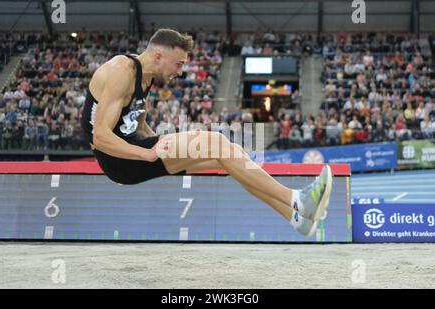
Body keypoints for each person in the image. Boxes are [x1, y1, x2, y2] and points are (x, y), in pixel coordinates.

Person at [81, 28, 333, 237]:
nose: (180, 72)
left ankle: (295, 218)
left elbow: (136, 120)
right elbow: (100, 138)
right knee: (217, 141)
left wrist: (157, 141)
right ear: (158, 55)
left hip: (134, 150)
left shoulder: (145, 79)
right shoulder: (122, 70)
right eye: (178, 64)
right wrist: (148, 153)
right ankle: (298, 199)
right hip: (118, 159)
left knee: (232, 155)